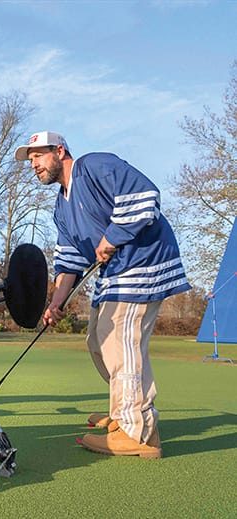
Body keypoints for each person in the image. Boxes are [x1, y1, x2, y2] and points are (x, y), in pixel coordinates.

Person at [15, 131, 190, 459]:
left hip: (143, 261)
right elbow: (69, 261)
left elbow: (146, 195)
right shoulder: (61, 208)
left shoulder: (95, 165)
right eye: (31, 160)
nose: (34, 164)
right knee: (97, 340)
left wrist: (112, 236)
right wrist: (56, 302)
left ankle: (138, 431)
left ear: (60, 151)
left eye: (38, 155)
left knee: (118, 340)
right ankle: (124, 410)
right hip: (115, 273)